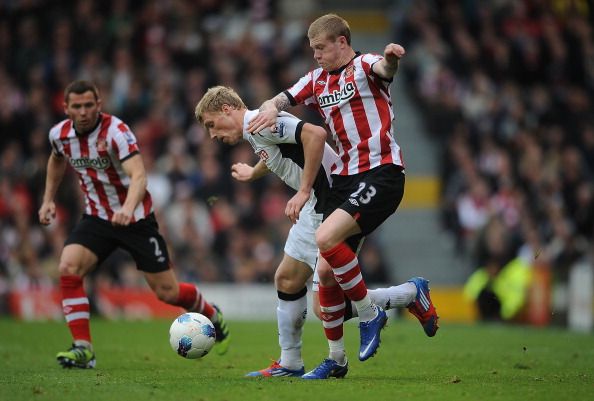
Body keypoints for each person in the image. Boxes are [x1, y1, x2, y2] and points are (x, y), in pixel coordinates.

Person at [195, 86, 434, 379]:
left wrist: (304, 189)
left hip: (331, 204)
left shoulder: (262, 120)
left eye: (211, 125)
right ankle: (290, 363)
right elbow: (278, 153)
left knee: (324, 309)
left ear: (227, 110)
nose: (212, 135)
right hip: (312, 206)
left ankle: (408, 294)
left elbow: (315, 135)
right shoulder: (256, 129)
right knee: (286, 279)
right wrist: (253, 172)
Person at [247, 14, 439, 379]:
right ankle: (339, 357)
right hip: (347, 181)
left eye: (321, 48)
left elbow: (385, 67)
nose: (316, 55)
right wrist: (271, 106)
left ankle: (370, 314)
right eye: (313, 49)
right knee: (324, 275)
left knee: (324, 238)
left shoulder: (364, 64)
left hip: (381, 172)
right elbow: (285, 96)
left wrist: (393, 58)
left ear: (342, 42)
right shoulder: (316, 80)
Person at [38, 80, 229, 369]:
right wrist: (48, 199)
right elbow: (55, 160)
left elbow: (139, 175)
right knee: (68, 267)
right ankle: (83, 349)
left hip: (136, 219)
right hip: (97, 218)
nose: (83, 111)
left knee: (168, 293)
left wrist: (127, 208)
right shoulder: (59, 135)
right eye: (76, 106)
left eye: (89, 105)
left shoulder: (117, 132)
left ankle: (210, 312)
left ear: (99, 104)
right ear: (66, 108)